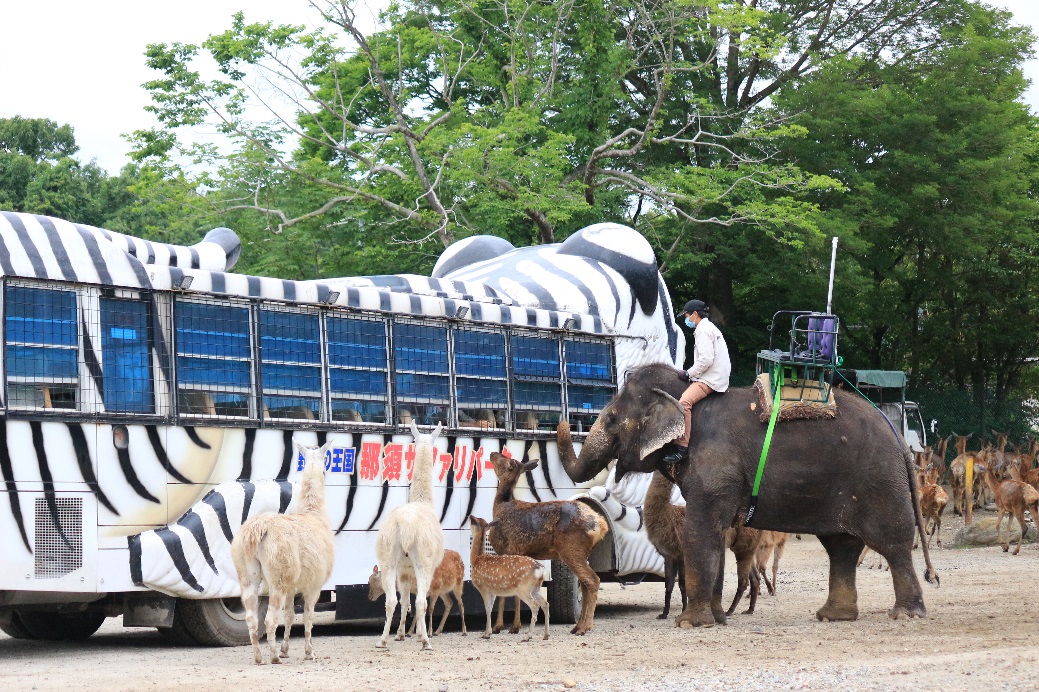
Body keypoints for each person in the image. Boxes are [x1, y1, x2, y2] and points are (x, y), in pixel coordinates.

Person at [661, 299, 731, 464]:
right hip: (715, 374)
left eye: (686, 315)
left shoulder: (703, 331)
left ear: (694, 314)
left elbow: (706, 360)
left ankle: (681, 447)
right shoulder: (709, 327)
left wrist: (688, 373)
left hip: (711, 379)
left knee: (684, 402)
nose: (686, 319)